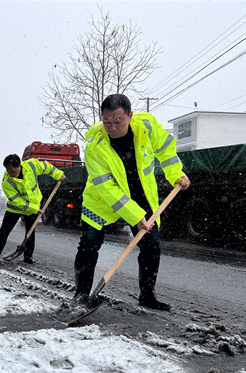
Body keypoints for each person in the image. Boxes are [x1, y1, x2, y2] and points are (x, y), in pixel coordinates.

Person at [72, 93, 190, 310]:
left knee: (152, 245)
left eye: (118, 121)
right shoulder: (95, 146)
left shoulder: (148, 127)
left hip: (141, 195)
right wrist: (136, 217)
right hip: (102, 201)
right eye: (107, 122)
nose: (112, 127)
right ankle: (81, 295)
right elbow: (108, 189)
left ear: (130, 116)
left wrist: (175, 174)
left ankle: (147, 295)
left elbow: (166, 151)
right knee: (89, 244)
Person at [0, 154, 66, 264]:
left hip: (33, 206)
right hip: (15, 208)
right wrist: (33, 208)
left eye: (13, 171)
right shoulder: (7, 182)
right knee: (4, 231)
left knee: (30, 232)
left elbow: (46, 167)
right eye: (8, 170)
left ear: (19, 166)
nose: (10, 173)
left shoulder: (32, 165)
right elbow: (16, 201)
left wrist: (58, 174)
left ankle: (28, 256)